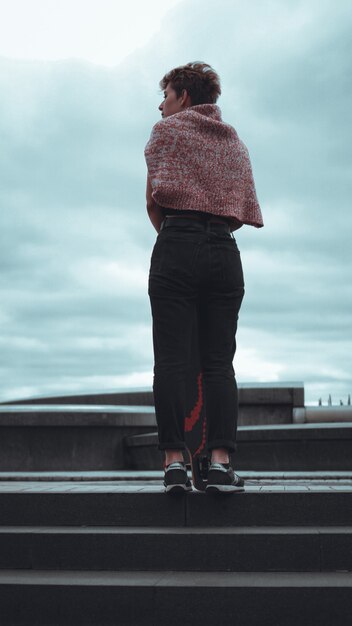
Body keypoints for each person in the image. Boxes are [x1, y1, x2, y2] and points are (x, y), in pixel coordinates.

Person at [144, 62, 263, 494]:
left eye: (167, 96)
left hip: (177, 244)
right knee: (219, 363)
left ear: (185, 98)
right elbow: (241, 210)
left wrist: (179, 242)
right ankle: (219, 463)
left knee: (171, 360)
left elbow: (154, 202)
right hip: (225, 253)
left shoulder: (166, 133)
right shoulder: (235, 141)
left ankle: (175, 461)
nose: (161, 106)